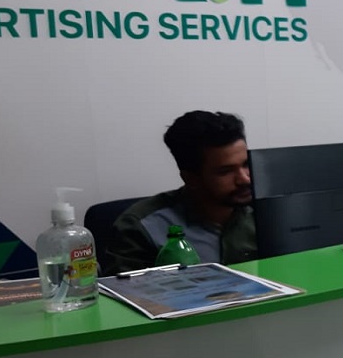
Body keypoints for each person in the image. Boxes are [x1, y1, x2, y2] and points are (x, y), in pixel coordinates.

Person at [104, 111, 258, 275]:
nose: (245, 179)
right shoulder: (141, 226)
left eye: (246, 164)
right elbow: (124, 288)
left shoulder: (268, 211)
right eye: (225, 171)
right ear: (191, 178)